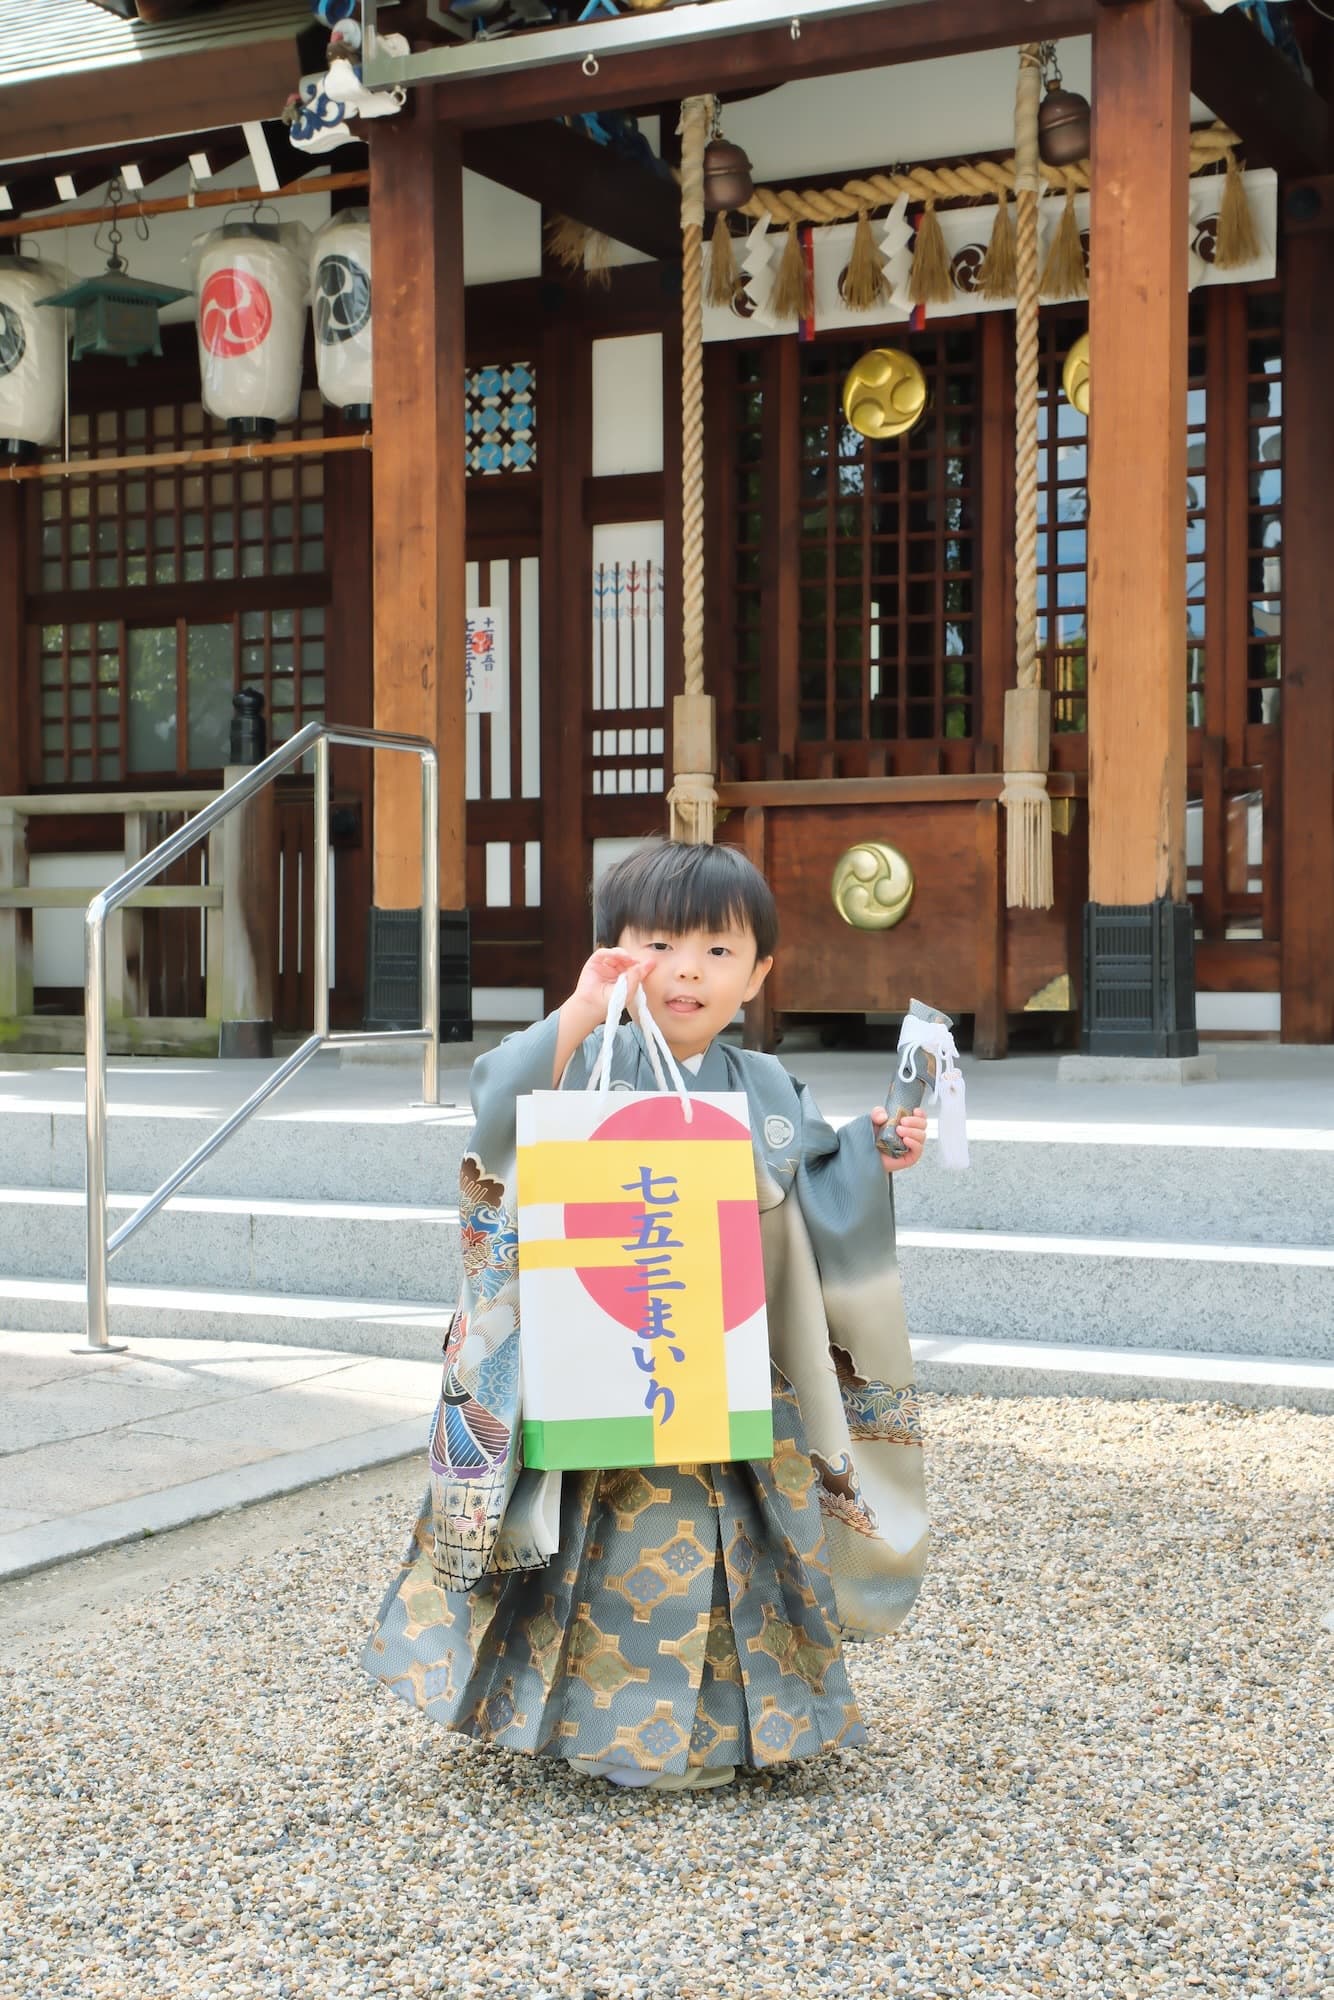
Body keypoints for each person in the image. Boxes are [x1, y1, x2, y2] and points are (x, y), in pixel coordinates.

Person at [363, 840, 929, 1790]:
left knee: (734, 1548)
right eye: (661, 944)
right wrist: (582, 1012)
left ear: (758, 975)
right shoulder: (588, 1061)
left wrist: (874, 1153)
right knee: (604, 1546)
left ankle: (731, 1731)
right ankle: (608, 1733)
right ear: (614, 955)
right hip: (604, 1360)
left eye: (719, 950)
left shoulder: (767, 1088)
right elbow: (496, 1107)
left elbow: (818, 1187)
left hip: (731, 1365)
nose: (689, 970)